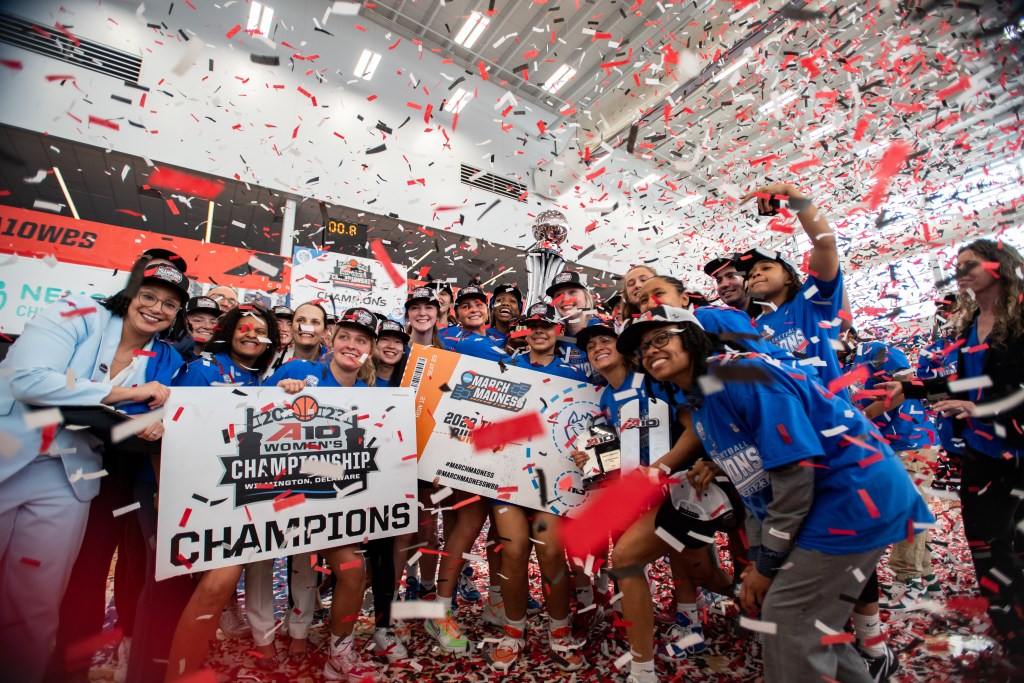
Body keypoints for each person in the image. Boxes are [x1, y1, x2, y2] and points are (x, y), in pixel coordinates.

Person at [613, 306, 933, 683]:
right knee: (805, 624)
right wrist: (764, 557)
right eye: (642, 350)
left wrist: (766, 564)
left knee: (787, 618)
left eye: (661, 338)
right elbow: (755, 486)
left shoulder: (740, 372)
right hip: (823, 504)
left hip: (854, 498)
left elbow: (795, 473)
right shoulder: (702, 404)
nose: (650, 352)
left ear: (693, 336)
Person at [0, 259, 188, 683]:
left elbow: (142, 419)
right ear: (131, 292)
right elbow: (28, 379)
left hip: (69, 472)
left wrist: (152, 423)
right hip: (8, 450)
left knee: (37, 600)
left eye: (170, 305)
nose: (157, 308)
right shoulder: (78, 312)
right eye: (149, 295)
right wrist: (125, 392)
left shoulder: (161, 356)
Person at [881, 239, 1024, 664]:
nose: (960, 270)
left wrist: (980, 407)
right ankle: (1013, 639)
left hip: (1019, 452)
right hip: (981, 454)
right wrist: (910, 388)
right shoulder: (972, 324)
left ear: (1000, 267)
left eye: (971, 263)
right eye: (957, 264)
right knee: (986, 546)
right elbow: (966, 385)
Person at [265, 307, 384, 681]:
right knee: (281, 569)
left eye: (362, 340)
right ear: (330, 340)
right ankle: (272, 632)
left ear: (371, 349)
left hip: (338, 504)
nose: (352, 345)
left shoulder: (373, 395)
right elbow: (248, 423)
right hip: (287, 501)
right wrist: (283, 397)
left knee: (352, 573)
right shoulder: (300, 374)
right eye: (345, 337)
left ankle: (339, 652)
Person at [164, 304, 281, 678]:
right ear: (228, 331)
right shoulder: (202, 370)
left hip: (240, 497)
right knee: (214, 586)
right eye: (243, 328)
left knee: (214, 587)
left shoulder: (263, 380)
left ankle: (188, 663)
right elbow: (171, 431)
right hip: (199, 498)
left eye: (259, 331)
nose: (251, 334)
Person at [485, 303, 586, 673]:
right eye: (533, 325)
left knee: (550, 554)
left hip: (552, 482)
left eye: (547, 326)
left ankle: (559, 631)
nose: (539, 331)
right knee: (512, 554)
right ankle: (514, 631)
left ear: (559, 331)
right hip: (509, 478)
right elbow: (490, 424)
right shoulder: (505, 369)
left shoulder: (575, 375)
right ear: (525, 330)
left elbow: (584, 426)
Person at [846, 339, 940, 611]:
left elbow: (904, 388)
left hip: (912, 443)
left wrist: (862, 416)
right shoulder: (843, 366)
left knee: (905, 513)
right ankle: (927, 580)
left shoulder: (877, 350)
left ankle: (910, 583)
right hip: (888, 447)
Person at [734, 183, 847, 389]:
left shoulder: (811, 302)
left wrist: (791, 192)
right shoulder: (749, 329)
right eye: (750, 274)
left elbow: (825, 243)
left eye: (766, 267)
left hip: (831, 416)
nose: (756, 273)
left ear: (789, 277)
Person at [546, 271, 597, 380]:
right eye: (558, 295)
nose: (565, 299)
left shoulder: (609, 330)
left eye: (572, 292)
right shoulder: (551, 338)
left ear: (586, 295)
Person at [265, 302, 329, 378]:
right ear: (292, 327)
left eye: (315, 322)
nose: (306, 327)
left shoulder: (335, 361)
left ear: (324, 332)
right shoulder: (268, 357)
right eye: (300, 320)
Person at [175, 295, 220, 361]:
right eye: (198, 320)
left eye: (213, 322)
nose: (208, 326)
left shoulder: (222, 358)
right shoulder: (167, 353)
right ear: (182, 321)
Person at [487, 283, 523, 348]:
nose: (505, 303)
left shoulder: (528, 338)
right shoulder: (481, 334)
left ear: (519, 310)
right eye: (499, 300)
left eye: (512, 301)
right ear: (492, 308)